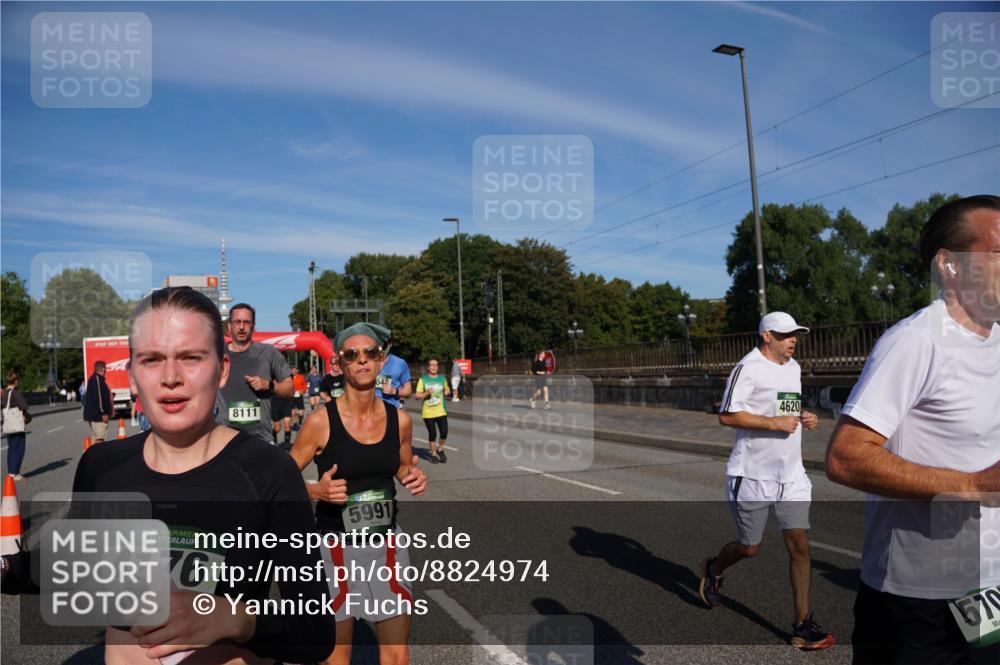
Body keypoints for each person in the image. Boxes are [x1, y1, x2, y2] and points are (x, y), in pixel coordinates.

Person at [2, 286, 336, 664]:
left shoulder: (270, 472)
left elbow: (316, 632)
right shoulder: (102, 467)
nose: (170, 377)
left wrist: (235, 619)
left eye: (191, 357)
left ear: (222, 370)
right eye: (151, 360)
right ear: (131, 376)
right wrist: (9, 570)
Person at [826, 195, 1000, 664]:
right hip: (915, 596)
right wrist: (971, 485)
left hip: (986, 587)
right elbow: (846, 456)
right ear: (950, 265)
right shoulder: (917, 340)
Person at [291, 322, 427, 665]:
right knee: (336, 658)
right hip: (335, 548)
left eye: (371, 353)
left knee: (396, 657)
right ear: (339, 364)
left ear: (382, 361)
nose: (362, 360)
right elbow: (281, 480)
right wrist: (316, 491)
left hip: (387, 547)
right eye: (352, 354)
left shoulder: (401, 420)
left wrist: (411, 475)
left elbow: (399, 465)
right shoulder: (321, 421)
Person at [698, 311, 833, 650]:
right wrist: (774, 425)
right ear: (767, 336)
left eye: (796, 335)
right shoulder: (748, 368)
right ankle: (714, 568)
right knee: (750, 547)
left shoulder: (794, 368)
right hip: (752, 474)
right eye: (787, 334)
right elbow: (727, 414)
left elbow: (785, 406)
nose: (794, 340)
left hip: (791, 475)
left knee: (799, 546)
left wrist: (805, 415)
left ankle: (802, 626)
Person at [215, 303, 294, 444]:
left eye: (246, 322)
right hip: (223, 440)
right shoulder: (216, 354)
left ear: (253, 326)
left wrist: (269, 386)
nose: (241, 326)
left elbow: (290, 389)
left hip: (260, 439)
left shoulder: (269, 353)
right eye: (237, 322)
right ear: (229, 326)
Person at [415, 358, 451, 464]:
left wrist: (448, 391)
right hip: (428, 412)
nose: (434, 367)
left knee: (444, 432)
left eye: (436, 365)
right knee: (433, 433)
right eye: (432, 365)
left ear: (438, 367)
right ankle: (434, 454)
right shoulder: (423, 379)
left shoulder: (442, 379)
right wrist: (426, 393)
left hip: (441, 410)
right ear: (428, 367)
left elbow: (447, 389)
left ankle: (440, 449)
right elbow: (417, 396)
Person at [2, 372, 32, 481]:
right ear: (15, 381)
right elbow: (24, 406)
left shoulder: (4, 393)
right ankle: (16, 473)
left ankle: (11, 472)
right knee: (19, 449)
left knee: (11, 449)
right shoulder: (14, 393)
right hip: (17, 426)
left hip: (9, 425)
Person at [374, 334, 412, 408]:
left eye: (384, 345)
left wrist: (395, 391)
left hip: (392, 409)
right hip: (369, 411)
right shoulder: (367, 362)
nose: (381, 348)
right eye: (378, 344)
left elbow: (409, 392)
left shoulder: (400, 363)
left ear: (390, 345)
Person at [83, 360, 114, 443]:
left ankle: (93, 455)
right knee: (100, 438)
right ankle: (98, 455)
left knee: (95, 436)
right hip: (98, 416)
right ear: (103, 369)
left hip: (95, 415)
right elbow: (99, 398)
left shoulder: (95, 379)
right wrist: (103, 413)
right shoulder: (97, 380)